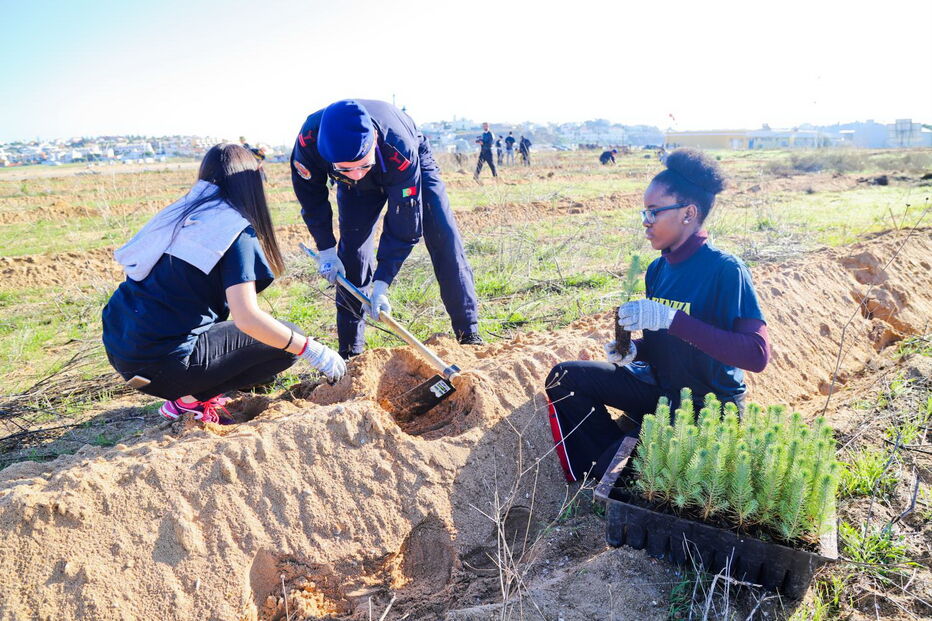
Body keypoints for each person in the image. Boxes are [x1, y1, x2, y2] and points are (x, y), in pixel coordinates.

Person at [544, 148, 770, 482]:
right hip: (663, 393)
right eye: (644, 213)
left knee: (663, 484)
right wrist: (636, 349)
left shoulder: (725, 269)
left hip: (707, 407)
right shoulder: (658, 269)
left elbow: (757, 354)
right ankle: (613, 460)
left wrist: (671, 319)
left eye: (654, 212)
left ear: (688, 213)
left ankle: (626, 467)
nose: (646, 222)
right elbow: (664, 342)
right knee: (564, 378)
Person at [102, 144, 345, 423]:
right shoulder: (233, 229)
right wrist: (313, 350)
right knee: (286, 341)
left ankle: (185, 394)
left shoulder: (180, 214)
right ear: (251, 181)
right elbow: (247, 318)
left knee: (268, 340)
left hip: (121, 348)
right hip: (165, 364)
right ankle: (189, 401)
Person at [291, 99, 483, 359]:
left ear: (374, 140)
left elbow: (405, 224)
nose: (358, 174)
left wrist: (381, 283)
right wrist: (326, 249)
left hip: (408, 165)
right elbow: (311, 198)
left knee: (443, 236)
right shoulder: (308, 144)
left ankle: (468, 332)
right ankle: (350, 350)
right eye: (347, 168)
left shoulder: (399, 149)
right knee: (353, 252)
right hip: (351, 188)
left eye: (362, 164)